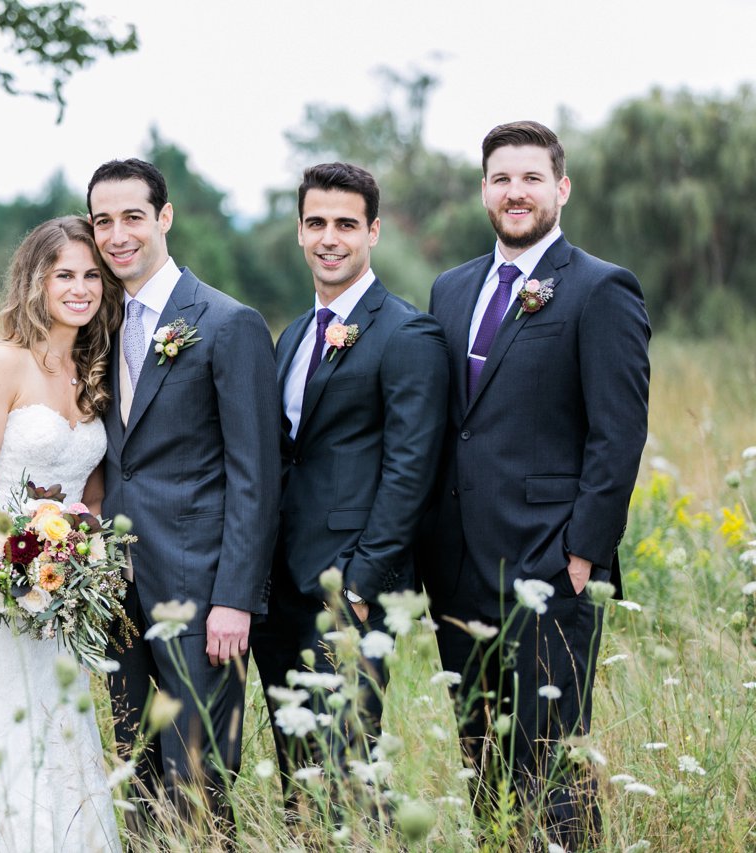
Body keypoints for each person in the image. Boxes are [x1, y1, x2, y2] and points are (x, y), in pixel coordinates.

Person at [419, 121, 650, 849]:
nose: (515, 192)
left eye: (531, 178)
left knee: (551, 767)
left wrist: (583, 554)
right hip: (459, 571)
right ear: (484, 190)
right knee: (483, 763)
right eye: (501, 179)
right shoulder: (451, 289)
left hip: (551, 565)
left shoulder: (601, 289)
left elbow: (618, 435)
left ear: (562, 188)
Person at [87, 158, 281, 826]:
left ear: (164, 217)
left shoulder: (228, 323)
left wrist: (235, 598)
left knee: (199, 776)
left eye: (132, 217)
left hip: (202, 593)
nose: (118, 235)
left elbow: (256, 476)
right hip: (120, 590)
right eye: (103, 221)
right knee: (136, 770)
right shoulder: (101, 325)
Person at [250, 163, 448, 803]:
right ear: (299, 232)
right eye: (316, 223)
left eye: (345, 224)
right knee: (297, 767)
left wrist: (361, 587)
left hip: (349, 585)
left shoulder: (407, 333)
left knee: (345, 765)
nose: (329, 238)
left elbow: (412, 468)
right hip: (280, 584)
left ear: (373, 231)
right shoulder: (293, 335)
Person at [0, 215, 123, 851]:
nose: (80, 288)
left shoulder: (94, 371)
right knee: (1, 723)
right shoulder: (1, 363)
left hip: (63, 590)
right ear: (35, 280)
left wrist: (78, 556)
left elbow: (91, 495)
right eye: (64, 275)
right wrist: (20, 554)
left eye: (91, 276)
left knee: (59, 722)